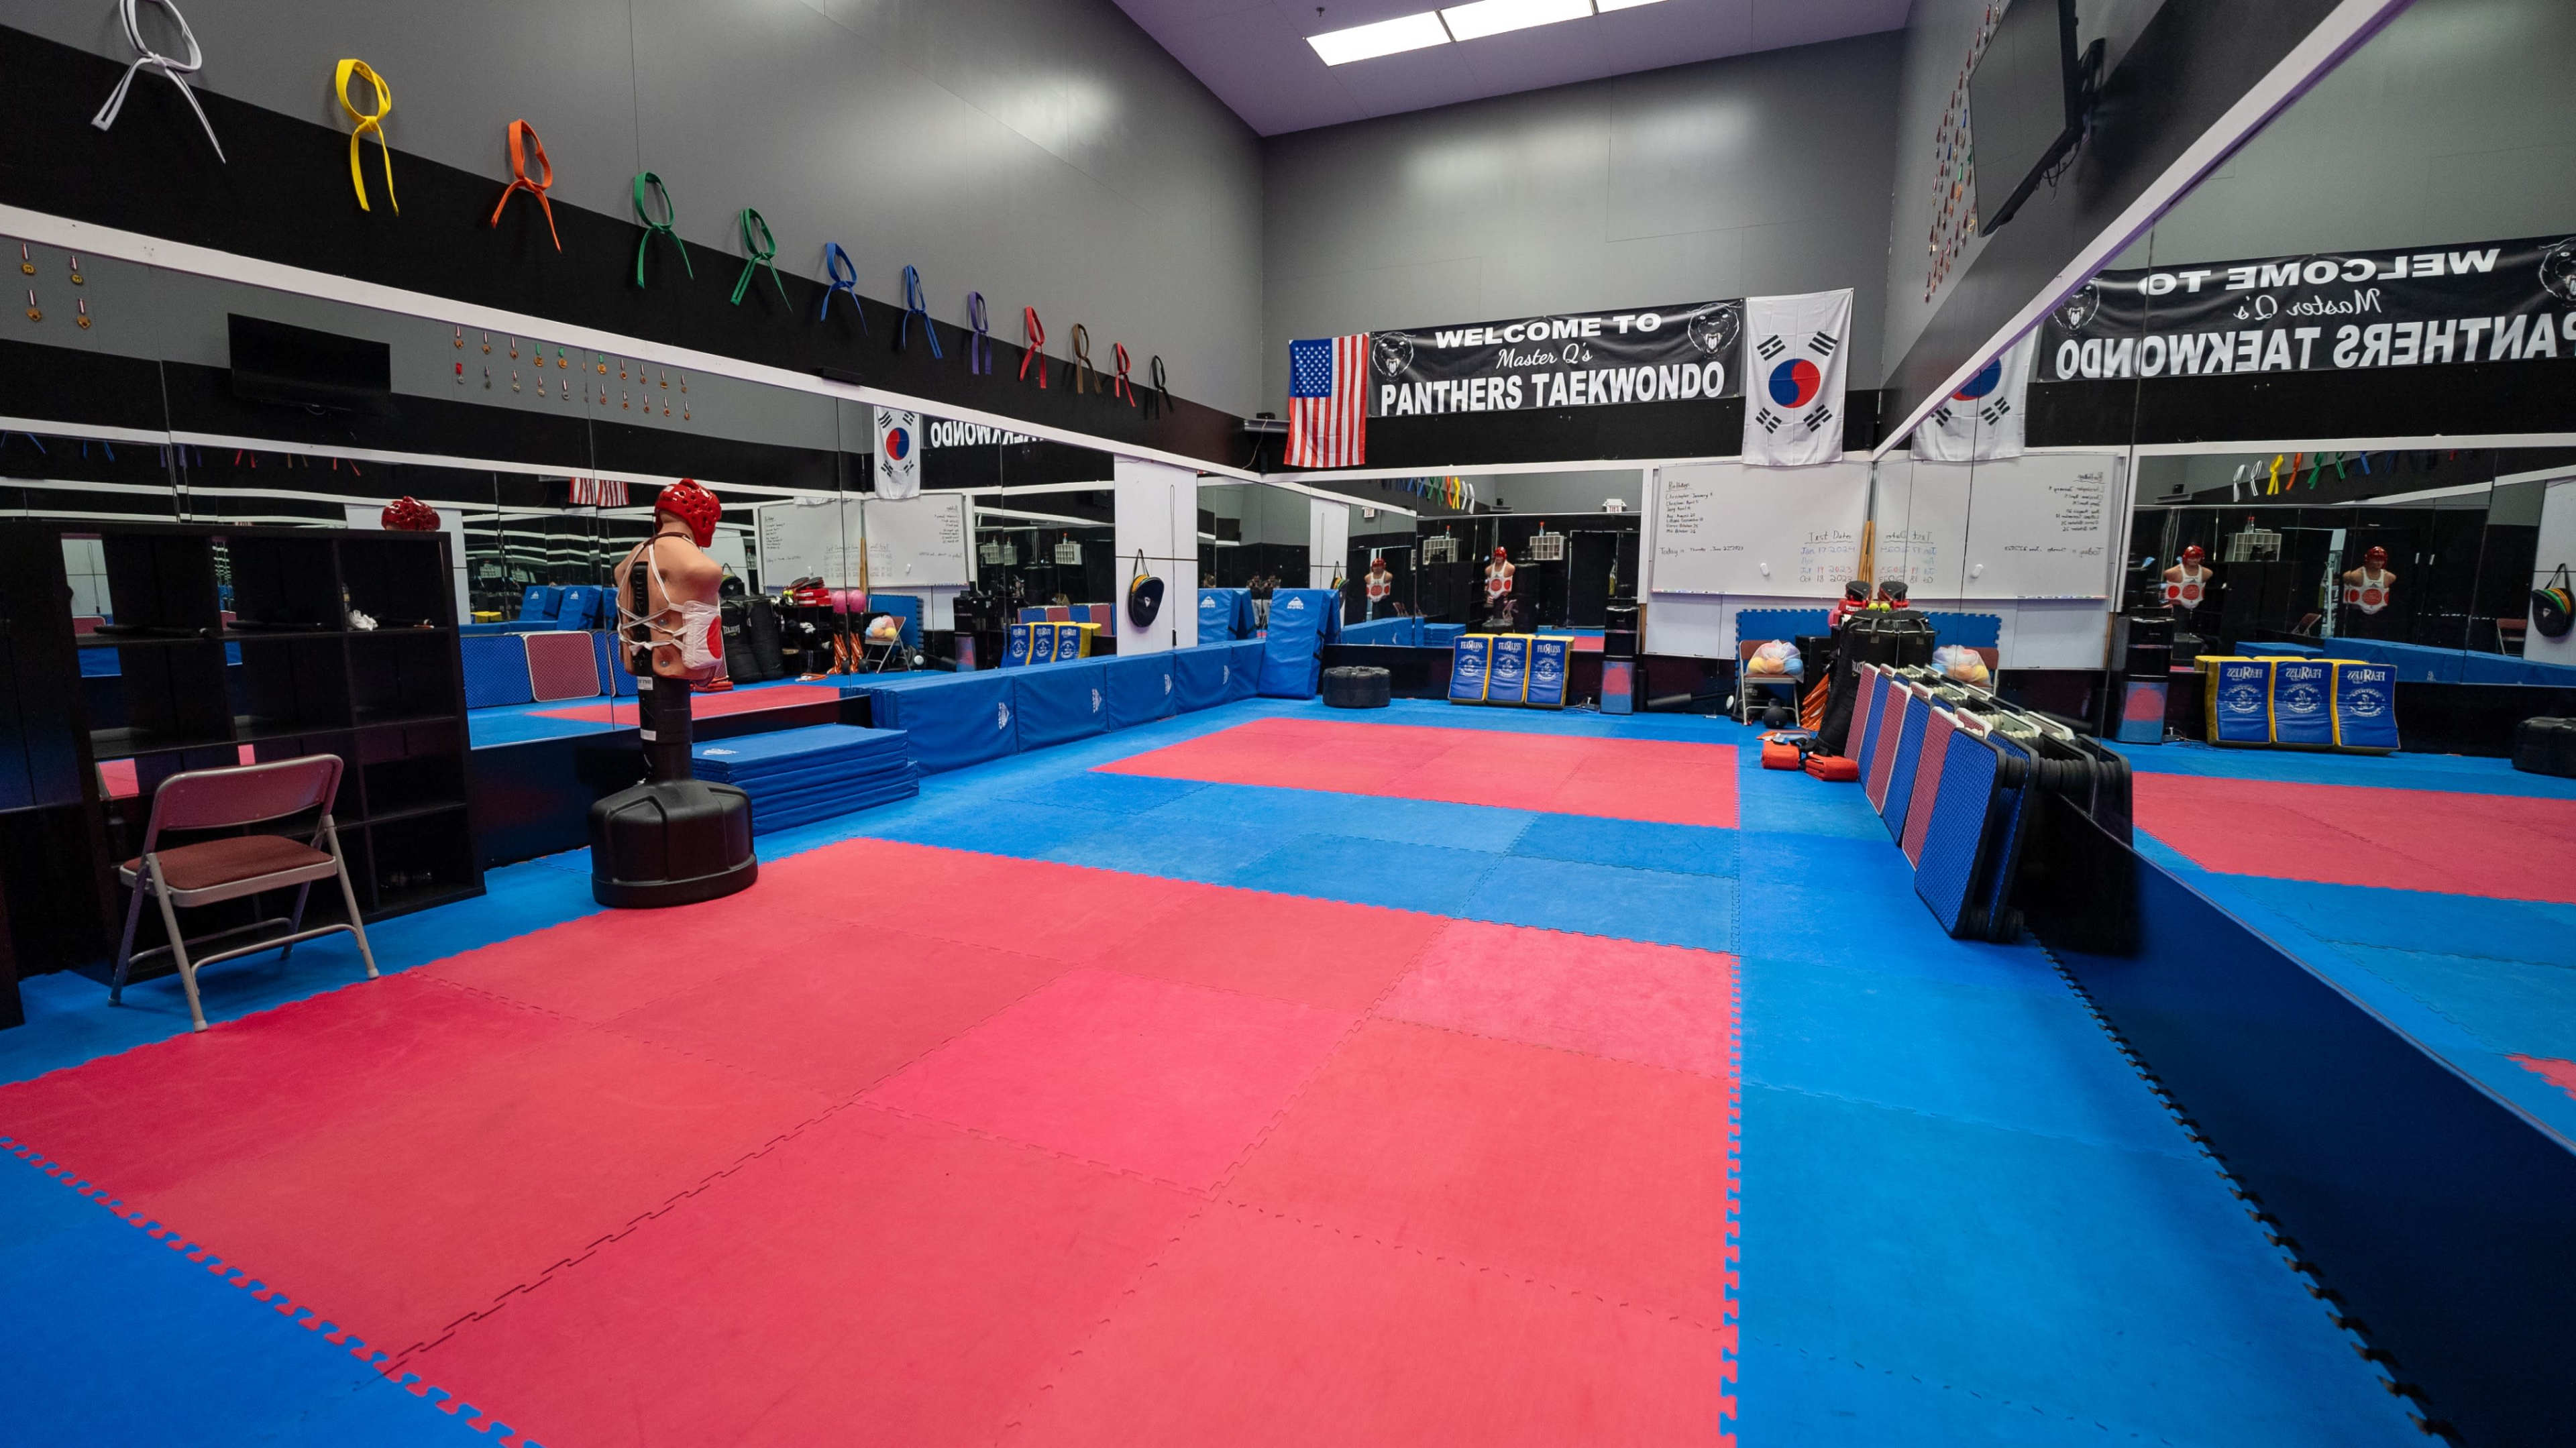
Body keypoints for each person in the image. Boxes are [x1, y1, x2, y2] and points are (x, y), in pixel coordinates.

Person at [612, 478, 729, 690]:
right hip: (680, 665)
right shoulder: (702, 568)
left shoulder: (629, 561)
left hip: (641, 662)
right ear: (703, 516)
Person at [2341, 545, 2398, 636]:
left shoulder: (2390, 577)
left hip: (2378, 616)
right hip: (2358, 615)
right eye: (2376, 559)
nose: (2379, 563)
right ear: (2368, 559)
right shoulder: (2354, 576)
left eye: (2381, 560)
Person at [2163, 545, 2214, 612]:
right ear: (2185, 557)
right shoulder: (2172, 572)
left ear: (2201, 558)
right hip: (2178, 606)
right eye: (2191, 558)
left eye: (2197, 558)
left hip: (2198, 607)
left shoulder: (2207, 573)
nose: (2194, 560)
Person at [1363, 555, 1395, 620]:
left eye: (1379, 566)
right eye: (1375, 566)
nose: (1377, 568)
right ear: (1372, 567)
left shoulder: (1388, 576)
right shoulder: (1368, 577)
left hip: (1384, 601)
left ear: (1383, 566)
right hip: (1374, 602)